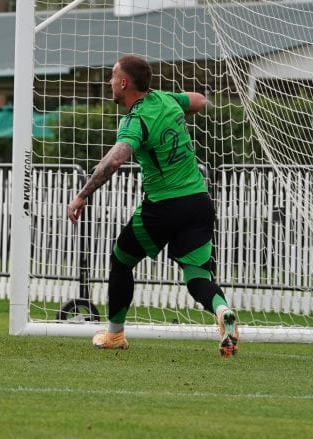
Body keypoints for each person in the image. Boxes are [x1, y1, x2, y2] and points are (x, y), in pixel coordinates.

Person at [66, 54, 239, 355]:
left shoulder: (136, 119)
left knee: (121, 260)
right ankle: (223, 311)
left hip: (164, 207)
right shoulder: (166, 100)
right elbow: (199, 100)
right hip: (199, 202)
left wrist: (82, 195)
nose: (109, 82)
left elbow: (115, 160)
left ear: (124, 82)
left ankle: (115, 335)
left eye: (112, 76)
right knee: (197, 276)